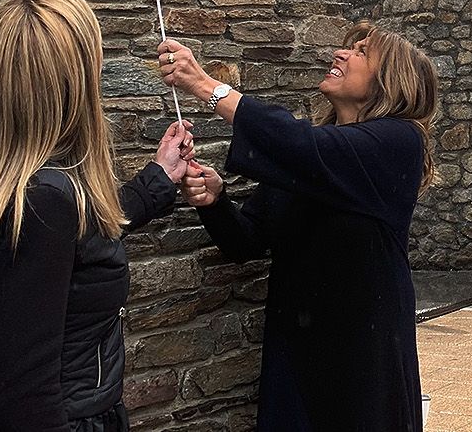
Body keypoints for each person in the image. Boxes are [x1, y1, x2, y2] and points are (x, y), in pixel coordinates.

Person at [0, 0, 192, 432]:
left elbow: (74, 241)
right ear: (73, 82)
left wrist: (155, 182)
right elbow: (25, 395)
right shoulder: (41, 200)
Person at [160, 23, 436, 432]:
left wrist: (205, 86)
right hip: (298, 352)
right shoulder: (312, 156)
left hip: (364, 356)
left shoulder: (398, 142)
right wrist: (215, 201)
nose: (341, 54)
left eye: (360, 52)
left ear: (391, 80)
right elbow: (246, 239)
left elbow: (306, 146)